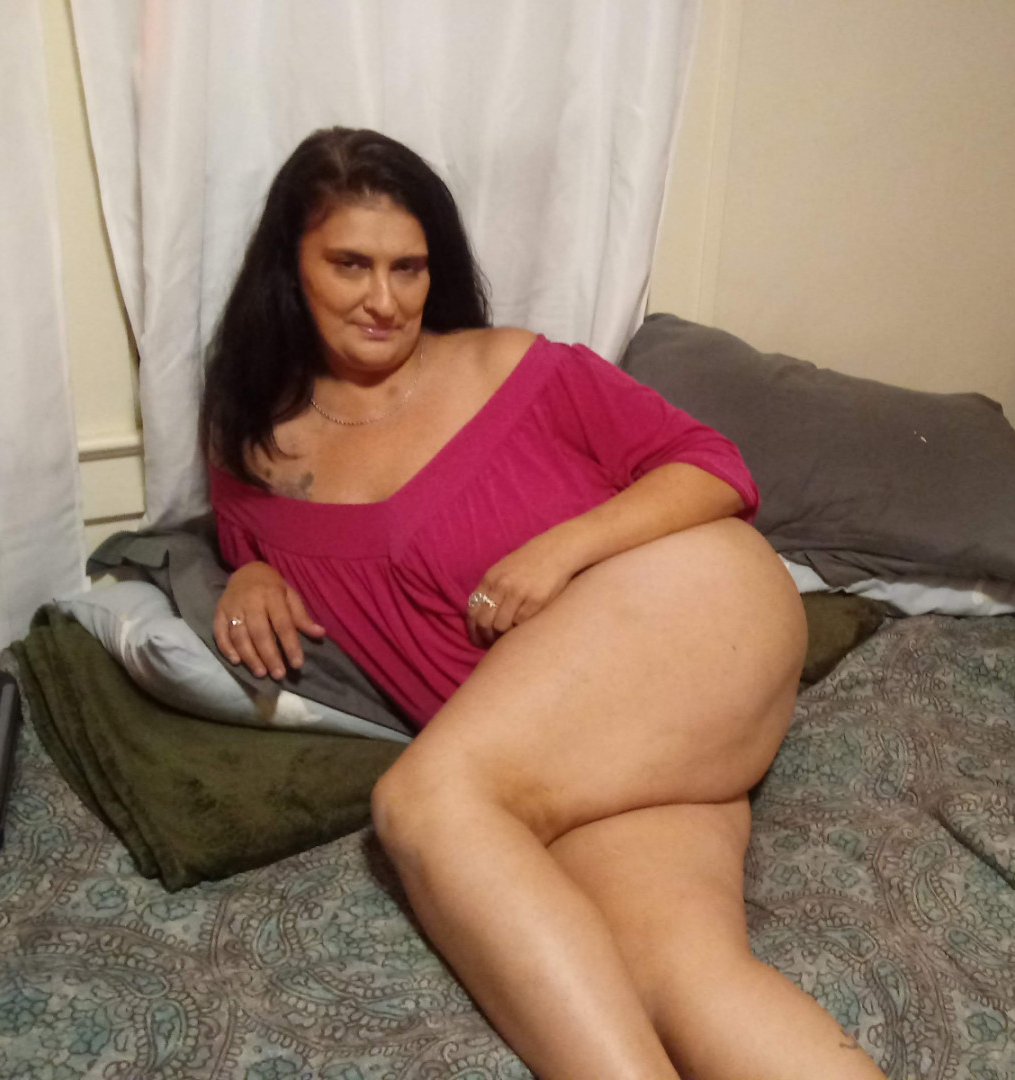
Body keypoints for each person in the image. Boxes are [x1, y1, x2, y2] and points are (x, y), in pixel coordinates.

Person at [202, 127, 888, 1080]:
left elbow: (714, 468)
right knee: (679, 979)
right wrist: (247, 571)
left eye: (408, 268)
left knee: (426, 801)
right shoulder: (251, 445)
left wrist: (561, 551)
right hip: (595, 748)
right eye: (350, 264)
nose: (384, 300)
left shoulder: (515, 367)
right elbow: (249, 531)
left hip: (690, 614)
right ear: (290, 265)